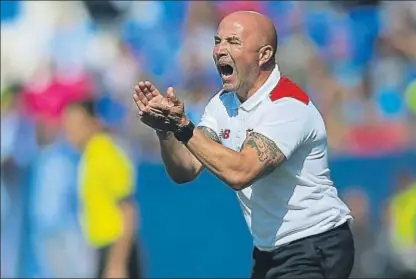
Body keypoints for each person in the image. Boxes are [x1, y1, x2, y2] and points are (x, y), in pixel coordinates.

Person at [133, 11, 354, 279]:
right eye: (217, 41)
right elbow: (185, 169)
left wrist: (183, 127)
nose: (219, 50)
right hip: (268, 251)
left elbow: (241, 172)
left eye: (233, 42)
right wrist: (165, 131)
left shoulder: (287, 106)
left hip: (315, 242)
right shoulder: (223, 104)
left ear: (264, 54)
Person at [62, 99, 140, 278]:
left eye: (77, 124)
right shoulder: (89, 155)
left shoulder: (106, 155)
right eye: (68, 124)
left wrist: (117, 263)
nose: (71, 131)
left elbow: (128, 210)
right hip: (102, 248)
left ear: (93, 123)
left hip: (115, 248)